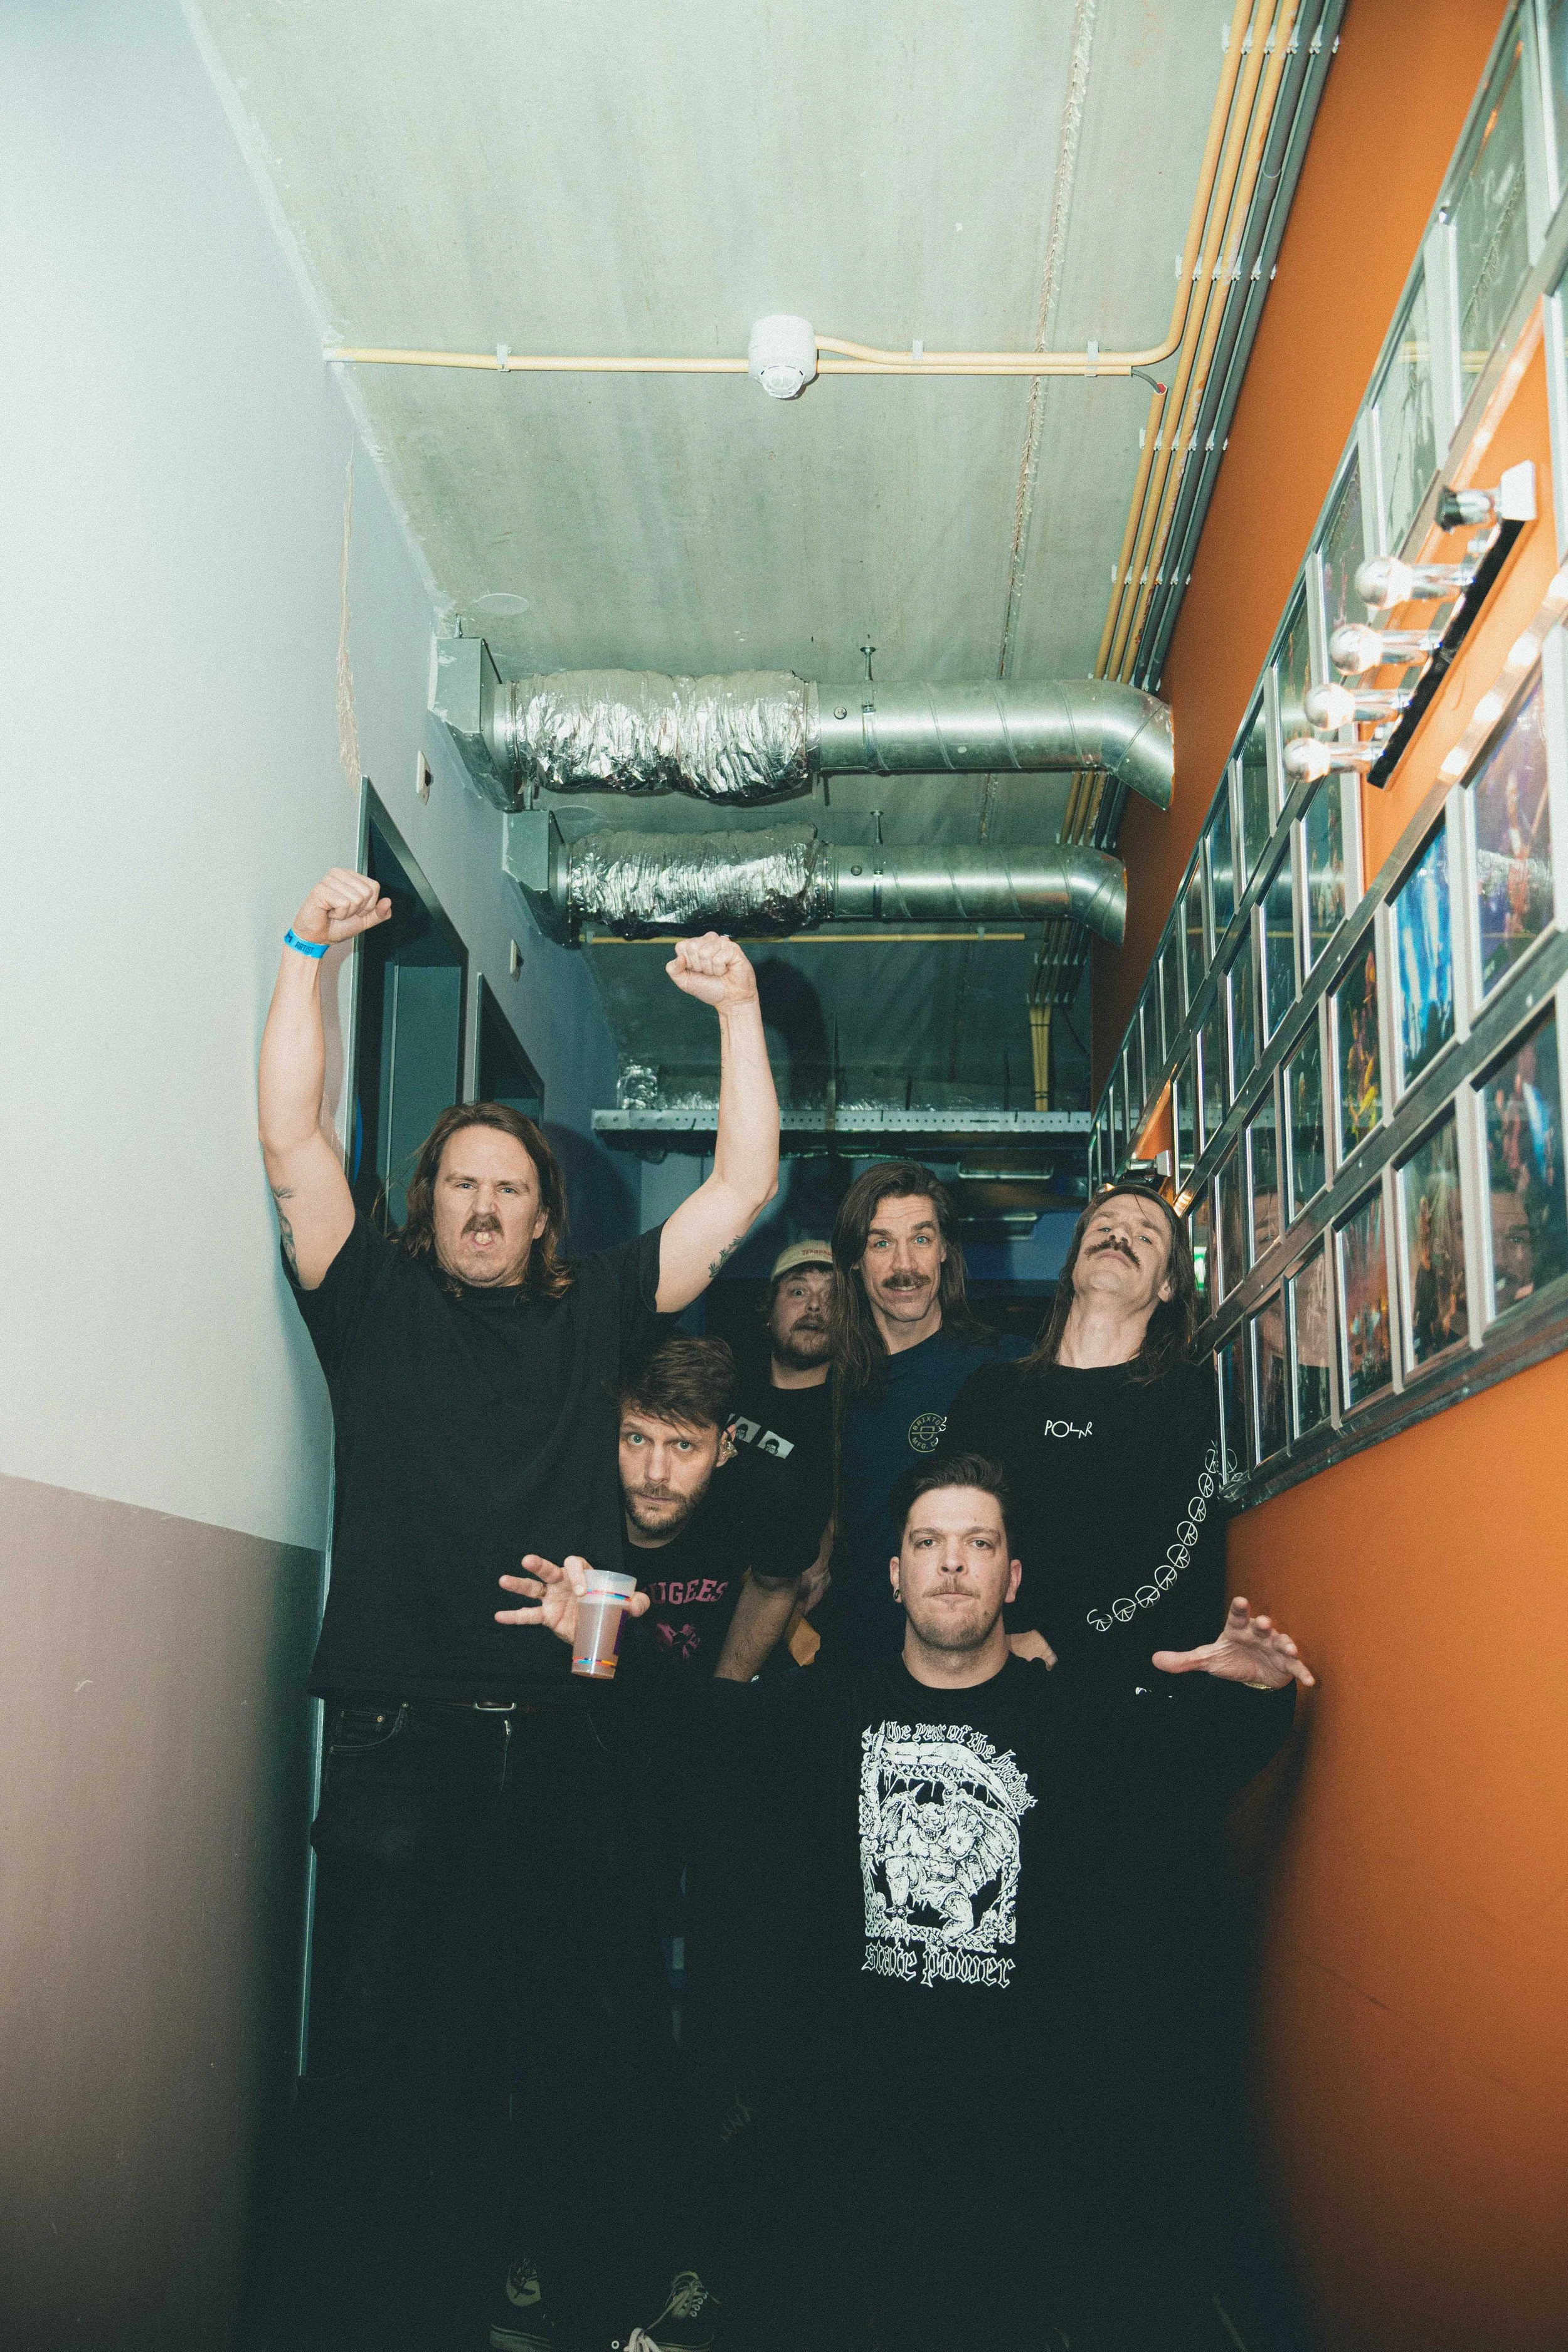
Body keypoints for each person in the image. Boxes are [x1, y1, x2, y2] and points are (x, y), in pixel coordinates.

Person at [253, 867, 779, 2352]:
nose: (483, 1205)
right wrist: (306, 956)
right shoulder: (371, 1300)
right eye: (461, 1184)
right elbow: (294, 1137)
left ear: (548, 1212)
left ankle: (564, 2302)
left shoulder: (597, 1309)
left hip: (562, 1743)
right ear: (430, 1203)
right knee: (372, 2062)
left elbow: (739, 1193)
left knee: (573, 2053)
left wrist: (739, 1011)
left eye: (510, 1185)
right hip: (399, 1745)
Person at [500, 1456, 1313, 2351]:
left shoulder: (1070, 1717)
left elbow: (1191, 1766)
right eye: (928, 1542)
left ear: (1011, 1577)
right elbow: (698, 1732)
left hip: (1022, 2103)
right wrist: (599, 1642)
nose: (952, 1562)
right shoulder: (831, 1709)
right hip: (852, 2093)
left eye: (978, 1542)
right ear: (895, 1575)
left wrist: (1257, 1693)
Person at [945, 1179, 1224, 1683]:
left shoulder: (1185, 1395)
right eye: (1105, 1227)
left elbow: (1179, 1550)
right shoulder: (991, 1391)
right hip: (983, 1669)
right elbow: (945, 1523)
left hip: (1114, 1684)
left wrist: (1056, 1637)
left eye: (1145, 1237)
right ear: (1073, 1265)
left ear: (1168, 1285)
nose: (1119, 1237)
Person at [814, 1161, 1024, 1662]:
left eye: (922, 1240)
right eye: (880, 1243)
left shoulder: (1009, 1369)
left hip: (970, 1663)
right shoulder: (832, 1384)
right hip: (857, 1661)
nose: (903, 1265)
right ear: (855, 1262)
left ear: (946, 1250)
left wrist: (1049, 1631)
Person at [619, 1333, 815, 1682]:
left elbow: (774, 1586)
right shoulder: (575, 1492)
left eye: (683, 1445)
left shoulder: (767, 1492)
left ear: (725, 1447)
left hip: (702, 1679)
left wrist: (725, 1693)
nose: (656, 1474)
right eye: (637, 1439)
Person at [729, 1241, 835, 1628]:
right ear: (770, 1312)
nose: (814, 1307)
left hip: (790, 1622)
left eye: (831, 1296)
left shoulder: (856, 1415)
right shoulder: (726, 1391)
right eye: (798, 1291)